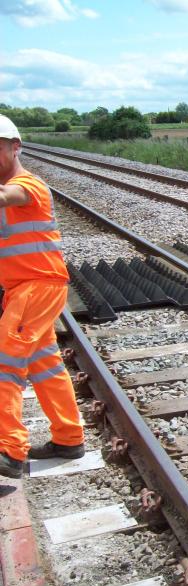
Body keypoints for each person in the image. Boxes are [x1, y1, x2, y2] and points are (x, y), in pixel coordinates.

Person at [0, 114, 84, 479]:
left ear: (15, 147)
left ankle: (9, 450)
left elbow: (8, 196)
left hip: (38, 285)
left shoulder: (27, 185)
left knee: (4, 363)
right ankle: (68, 438)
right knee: (44, 364)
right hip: (25, 288)